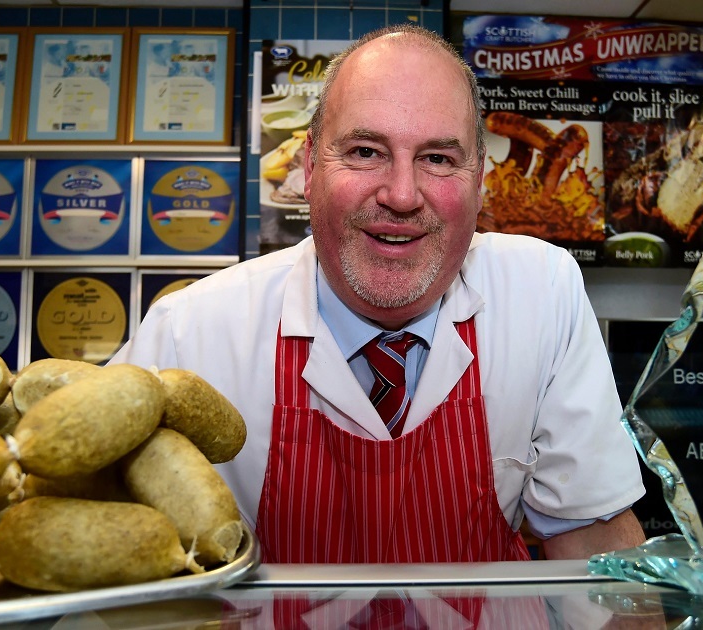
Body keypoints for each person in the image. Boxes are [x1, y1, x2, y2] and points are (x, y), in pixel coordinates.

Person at [111, 24, 646, 564]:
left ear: (479, 178)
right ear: (310, 164)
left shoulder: (541, 292)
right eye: (366, 151)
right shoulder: (188, 333)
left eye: (438, 158)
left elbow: (593, 538)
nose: (402, 195)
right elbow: (104, 532)